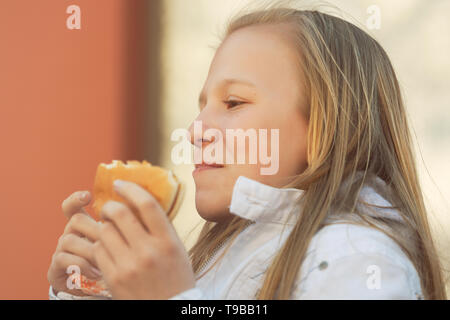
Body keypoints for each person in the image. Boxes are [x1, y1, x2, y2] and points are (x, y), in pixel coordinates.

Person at [47, 4, 447, 300]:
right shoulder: (225, 252)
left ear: (327, 126)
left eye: (234, 102)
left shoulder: (358, 259)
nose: (194, 131)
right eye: (201, 106)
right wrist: (96, 290)